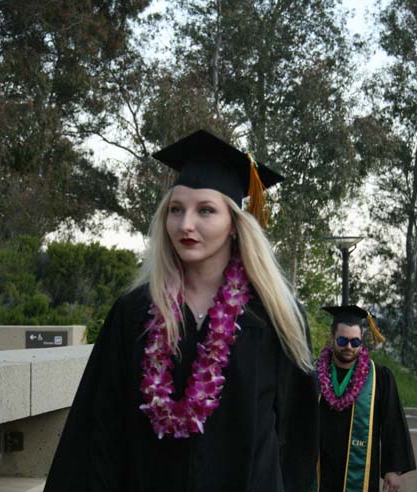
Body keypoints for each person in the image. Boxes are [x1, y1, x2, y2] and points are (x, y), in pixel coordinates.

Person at [43, 129, 319, 492]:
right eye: (176, 210)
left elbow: (296, 440)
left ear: (235, 225)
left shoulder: (274, 316)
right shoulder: (135, 313)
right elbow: (99, 426)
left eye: (205, 210)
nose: (185, 224)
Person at [316, 305, 415, 492]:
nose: (349, 347)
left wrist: (393, 470)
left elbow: (392, 422)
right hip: (320, 468)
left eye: (355, 342)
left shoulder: (379, 377)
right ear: (332, 338)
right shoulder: (314, 374)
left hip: (360, 471)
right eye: (343, 340)